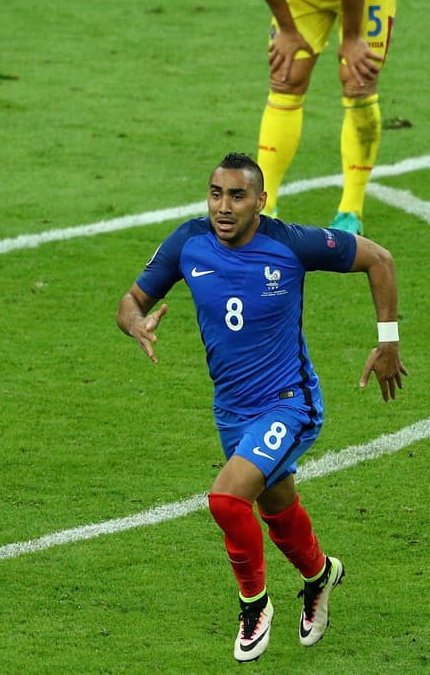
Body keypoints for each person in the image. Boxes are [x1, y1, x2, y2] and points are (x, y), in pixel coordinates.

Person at [116, 152, 406, 662]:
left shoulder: (290, 243)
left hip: (289, 403)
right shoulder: (188, 242)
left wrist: (389, 342)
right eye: (215, 194)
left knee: (227, 500)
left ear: (260, 201)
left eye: (237, 196)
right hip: (231, 410)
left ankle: (254, 605)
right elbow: (131, 301)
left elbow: (379, 259)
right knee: (275, 506)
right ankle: (321, 576)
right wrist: (135, 323)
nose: (223, 207)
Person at [238, 0, 399, 236]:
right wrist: (289, 31)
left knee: (358, 79)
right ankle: (267, 207)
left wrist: (353, 38)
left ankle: (351, 211)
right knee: (286, 74)